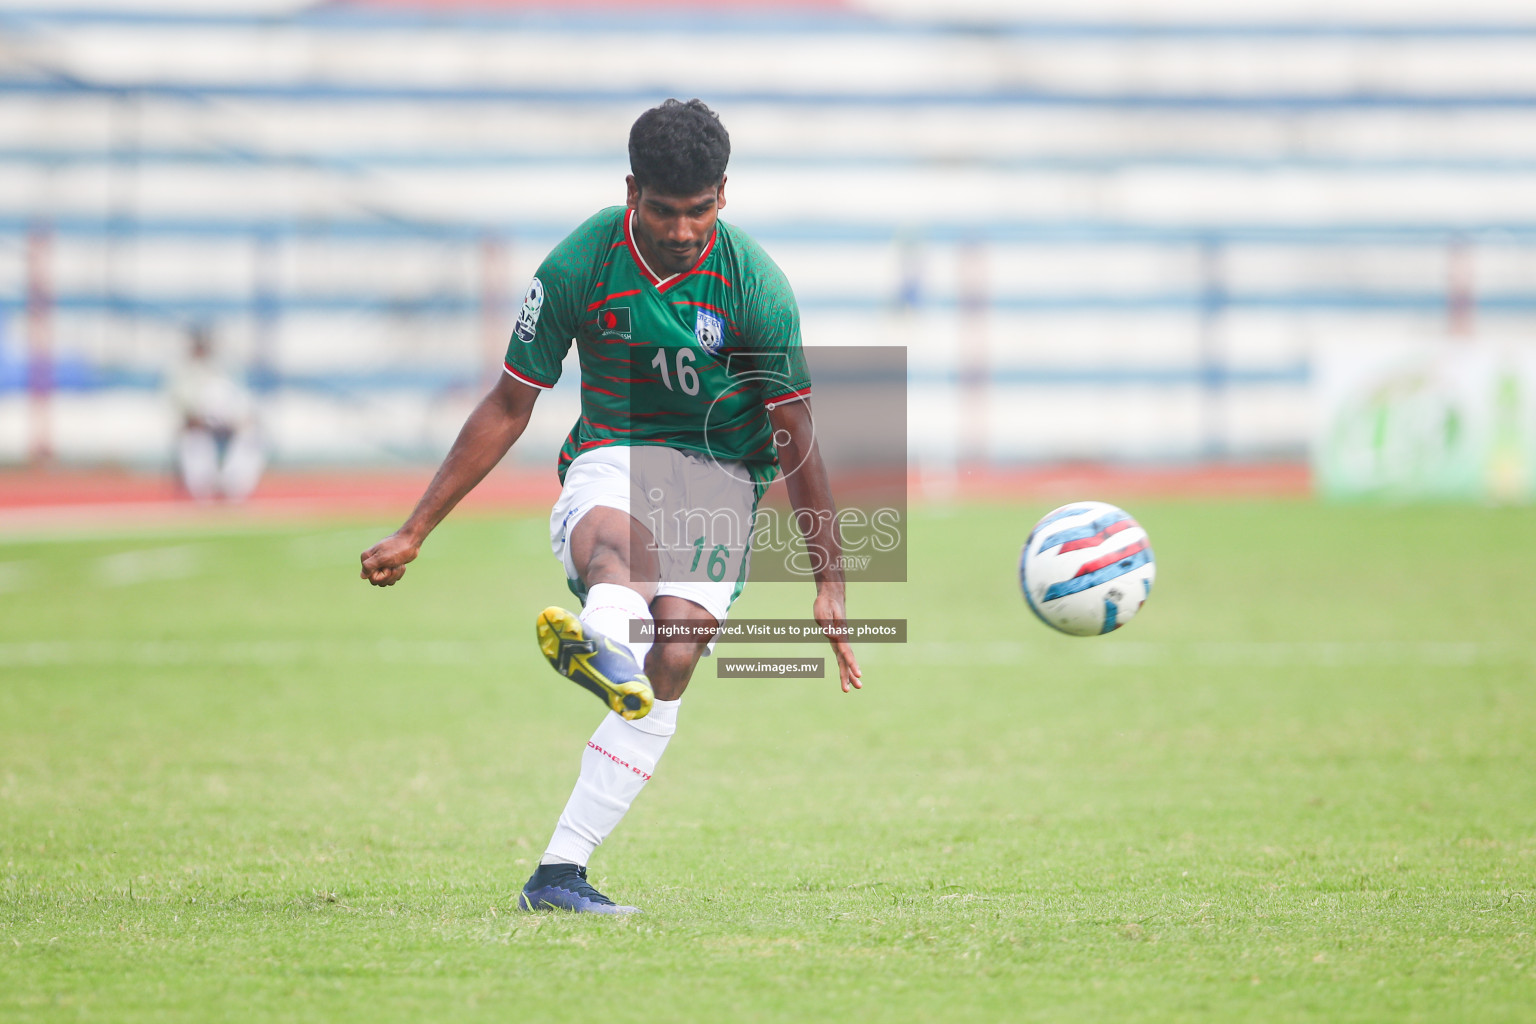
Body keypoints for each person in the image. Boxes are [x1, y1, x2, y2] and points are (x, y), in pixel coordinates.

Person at [359, 99, 861, 914]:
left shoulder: (757, 286)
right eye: (664, 210)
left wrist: (830, 582)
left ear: (723, 196)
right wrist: (415, 529)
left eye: (699, 211)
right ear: (632, 191)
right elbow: (507, 405)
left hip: (719, 479)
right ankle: (604, 642)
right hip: (612, 454)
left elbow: (794, 431)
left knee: (677, 657)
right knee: (619, 552)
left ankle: (559, 873)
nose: (683, 229)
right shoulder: (580, 265)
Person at [168, 325, 264, 502]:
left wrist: (234, 420)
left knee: (250, 435)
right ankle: (203, 489)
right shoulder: (180, 371)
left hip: (225, 422)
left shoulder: (223, 368)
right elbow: (178, 405)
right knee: (195, 439)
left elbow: (238, 400)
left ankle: (234, 487)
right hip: (196, 425)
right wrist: (199, 420)